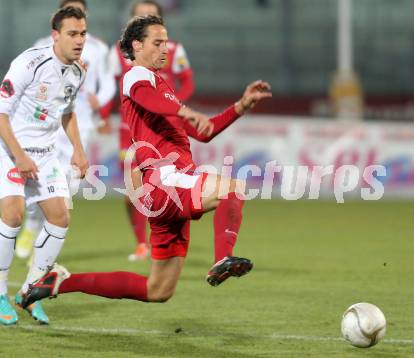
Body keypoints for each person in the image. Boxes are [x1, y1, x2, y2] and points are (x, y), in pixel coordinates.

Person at [22, 15, 271, 308]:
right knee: (232, 188)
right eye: (158, 42)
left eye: (166, 42)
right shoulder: (136, 76)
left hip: (164, 192)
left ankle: (58, 282)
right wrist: (184, 111)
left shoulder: (160, 86)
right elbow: (150, 101)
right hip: (164, 179)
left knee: (158, 290)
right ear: (137, 46)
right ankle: (223, 258)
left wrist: (240, 107)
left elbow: (204, 132)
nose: (166, 49)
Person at [0, 6, 89, 325]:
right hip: (10, 149)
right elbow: (1, 114)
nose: (79, 40)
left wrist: (78, 150)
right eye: (72, 34)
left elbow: (68, 112)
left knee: (60, 217)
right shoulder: (29, 62)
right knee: (12, 214)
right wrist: (20, 156)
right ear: (56, 35)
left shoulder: (78, 71)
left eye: (82, 33)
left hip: (45, 154)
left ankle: (29, 292)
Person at [15, 0, 116, 261]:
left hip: (80, 121)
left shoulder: (97, 48)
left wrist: (100, 104)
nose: (77, 35)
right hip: (47, 124)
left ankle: (41, 235)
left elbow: (108, 84)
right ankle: (33, 227)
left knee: (66, 187)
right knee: (43, 183)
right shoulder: (40, 46)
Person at [106, 0, 195, 261]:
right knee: (134, 189)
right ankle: (141, 243)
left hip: (165, 128)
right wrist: (102, 113)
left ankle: (163, 240)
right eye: (141, 15)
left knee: (167, 184)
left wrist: (173, 106)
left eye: (152, 15)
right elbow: (113, 86)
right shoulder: (119, 53)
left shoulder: (174, 49)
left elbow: (188, 81)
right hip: (132, 130)